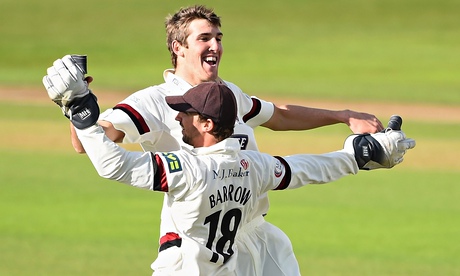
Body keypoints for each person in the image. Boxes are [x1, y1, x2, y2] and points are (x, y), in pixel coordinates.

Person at [62, 5, 385, 275]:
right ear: (179, 47)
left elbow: (280, 116)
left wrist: (342, 116)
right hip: (196, 241)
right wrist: (76, 105)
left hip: (254, 233)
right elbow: (87, 144)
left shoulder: (227, 95)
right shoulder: (151, 101)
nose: (215, 45)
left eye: (218, 37)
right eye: (204, 38)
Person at [42, 63, 415, 274]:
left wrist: (80, 105)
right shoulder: (255, 165)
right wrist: (361, 154)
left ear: (205, 124)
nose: (179, 118)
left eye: (186, 113)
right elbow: (305, 168)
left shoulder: (184, 170)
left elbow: (110, 163)